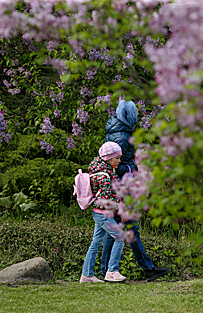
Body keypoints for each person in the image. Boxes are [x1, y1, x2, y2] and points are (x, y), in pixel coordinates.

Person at [101, 99, 170, 282]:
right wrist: (136, 167)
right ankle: (148, 269)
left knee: (116, 228)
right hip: (123, 187)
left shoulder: (117, 131)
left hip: (122, 186)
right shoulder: (122, 136)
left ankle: (105, 270)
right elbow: (117, 166)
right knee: (130, 227)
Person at [80, 141, 127, 283]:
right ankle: (112, 271)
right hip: (103, 213)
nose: (119, 161)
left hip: (99, 213)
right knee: (120, 237)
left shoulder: (103, 170)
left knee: (96, 242)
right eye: (117, 158)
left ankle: (87, 275)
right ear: (108, 158)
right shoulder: (104, 175)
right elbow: (106, 199)